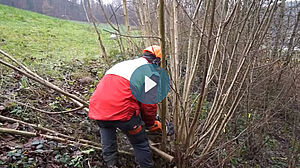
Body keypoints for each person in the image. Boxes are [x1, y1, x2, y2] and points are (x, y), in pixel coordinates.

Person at [89, 45, 163, 168]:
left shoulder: (124, 65)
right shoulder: (150, 72)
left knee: (107, 139)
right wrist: (150, 124)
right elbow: (148, 104)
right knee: (140, 144)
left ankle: (111, 165)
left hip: (99, 109)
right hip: (123, 112)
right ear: (157, 61)